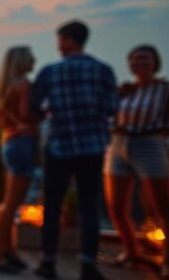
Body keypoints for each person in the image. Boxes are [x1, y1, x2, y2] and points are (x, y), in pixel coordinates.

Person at [30, 20, 117, 280]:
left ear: (68, 40)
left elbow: (35, 106)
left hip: (59, 146)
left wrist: (51, 112)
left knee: (53, 206)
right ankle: (88, 264)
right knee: (89, 207)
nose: (58, 45)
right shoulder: (103, 70)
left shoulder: (50, 72)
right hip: (92, 146)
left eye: (60, 39)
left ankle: (49, 262)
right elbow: (113, 108)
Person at [104, 44, 169, 277]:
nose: (140, 62)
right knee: (117, 205)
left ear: (155, 62)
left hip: (149, 144)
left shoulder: (164, 89)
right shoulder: (126, 90)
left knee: (161, 206)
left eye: (145, 58)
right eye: (135, 59)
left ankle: (166, 259)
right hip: (119, 144)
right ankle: (132, 251)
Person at [0, 46, 39, 273]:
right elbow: (27, 115)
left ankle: (8, 251)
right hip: (22, 143)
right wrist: (43, 114)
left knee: (9, 203)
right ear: (23, 62)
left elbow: (1, 120)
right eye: (30, 58)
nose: (34, 61)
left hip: (8, 142)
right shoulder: (24, 85)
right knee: (11, 205)